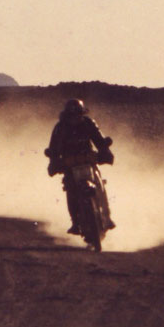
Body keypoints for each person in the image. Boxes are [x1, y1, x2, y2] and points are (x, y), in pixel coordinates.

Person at [45, 99, 114, 235]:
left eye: (78, 114)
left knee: (99, 184)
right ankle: (75, 222)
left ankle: (107, 217)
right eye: (72, 115)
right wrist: (54, 162)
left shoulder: (88, 123)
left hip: (88, 160)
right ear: (67, 115)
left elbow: (99, 140)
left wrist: (105, 151)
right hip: (70, 165)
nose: (76, 118)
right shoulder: (60, 128)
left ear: (82, 114)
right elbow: (54, 148)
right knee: (70, 189)